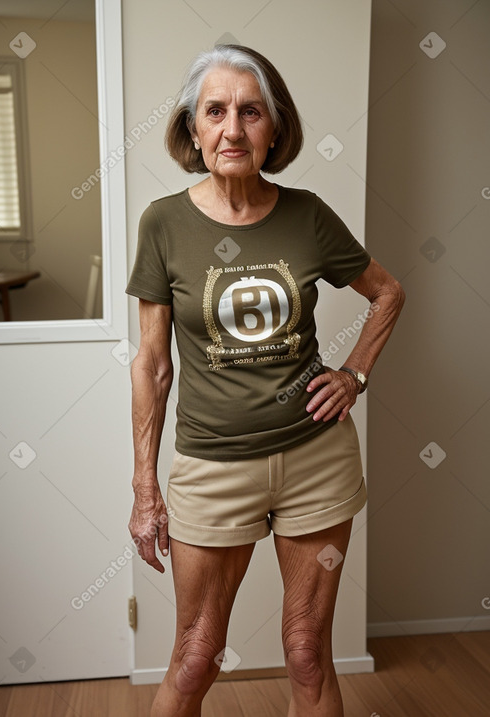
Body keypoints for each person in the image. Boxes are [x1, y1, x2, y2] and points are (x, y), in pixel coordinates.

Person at [126, 44, 405, 717]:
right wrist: (144, 488)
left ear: (273, 128)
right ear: (192, 129)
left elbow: (388, 291)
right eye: (214, 111)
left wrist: (355, 373)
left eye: (250, 112)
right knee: (195, 657)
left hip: (317, 459)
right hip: (212, 464)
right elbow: (154, 364)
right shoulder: (164, 223)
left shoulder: (306, 213)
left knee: (307, 650)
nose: (232, 128)